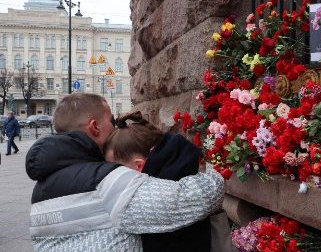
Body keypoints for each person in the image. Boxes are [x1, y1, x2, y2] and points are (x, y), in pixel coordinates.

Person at [25, 93, 224, 252]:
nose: (114, 126)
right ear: (95, 127)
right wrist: (218, 162)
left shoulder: (40, 192)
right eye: (110, 120)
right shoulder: (106, 181)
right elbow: (199, 198)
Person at [104, 111, 234, 252]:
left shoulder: (150, 196)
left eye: (117, 169)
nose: (114, 175)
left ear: (138, 165)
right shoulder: (181, 166)